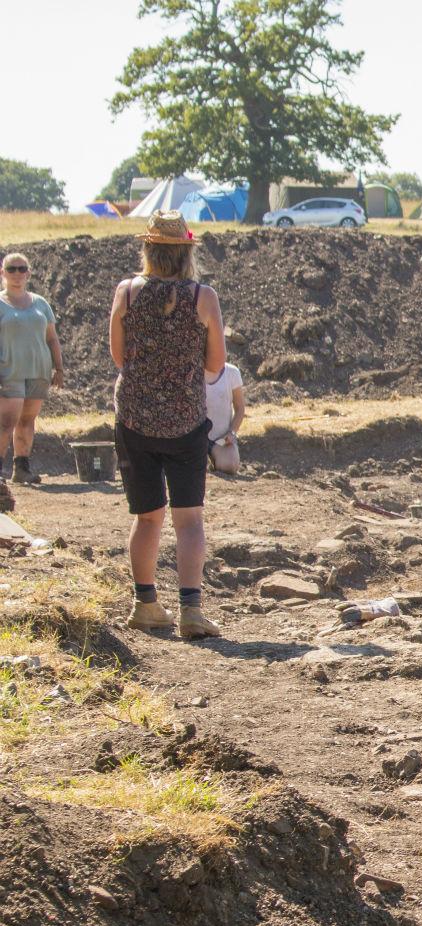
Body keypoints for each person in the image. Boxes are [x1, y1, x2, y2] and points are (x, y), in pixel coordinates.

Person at [109, 213, 226, 640]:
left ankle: (146, 604)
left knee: (147, 517)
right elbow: (215, 365)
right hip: (185, 419)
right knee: (189, 519)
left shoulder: (126, 292)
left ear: (149, 250)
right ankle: (191, 611)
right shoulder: (203, 297)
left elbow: (119, 358)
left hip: (135, 418)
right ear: (185, 253)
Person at [1, 251, 62, 488]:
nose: (17, 274)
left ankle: (22, 467)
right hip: (8, 371)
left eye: (22, 269)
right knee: (7, 421)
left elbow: (52, 338)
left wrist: (59, 367)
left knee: (27, 420)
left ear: (29, 272)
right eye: (12, 269)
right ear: (3, 273)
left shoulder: (40, 303)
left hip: (38, 370)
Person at [203, 359, 245, 475]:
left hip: (221, 439)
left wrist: (232, 432)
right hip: (195, 438)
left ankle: (214, 458)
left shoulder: (232, 372)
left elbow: (240, 408)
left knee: (229, 465)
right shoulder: (191, 371)